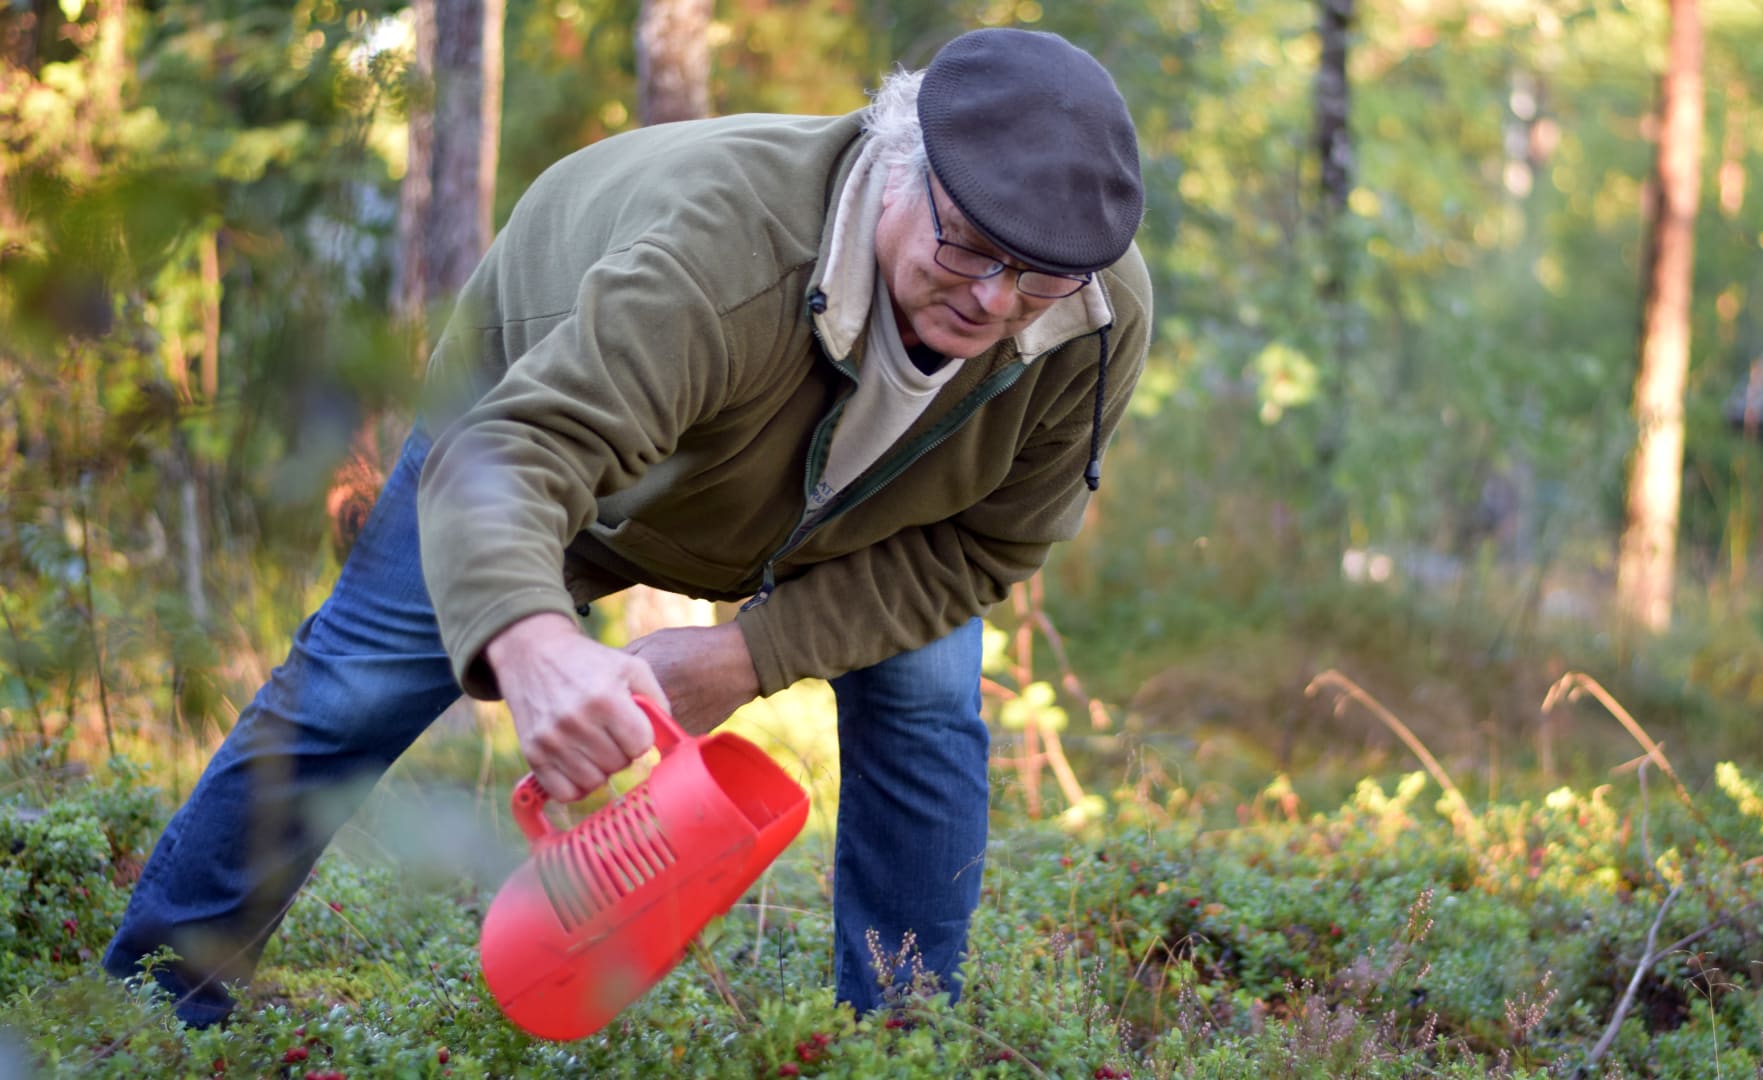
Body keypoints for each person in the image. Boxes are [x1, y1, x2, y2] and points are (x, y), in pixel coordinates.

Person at [103, 26, 1151, 1026]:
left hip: (857, 515)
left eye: (1037, 275)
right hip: (542, 425)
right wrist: (531, 638)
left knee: (925, 704)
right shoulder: (727, 255)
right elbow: (519, 451)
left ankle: (903, 1041)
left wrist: (750, 655)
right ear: (894, 162)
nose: (993, 299)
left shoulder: (1093, 313)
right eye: (966, 248)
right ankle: (154, 999)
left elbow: (983, 547)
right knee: (355, 684)